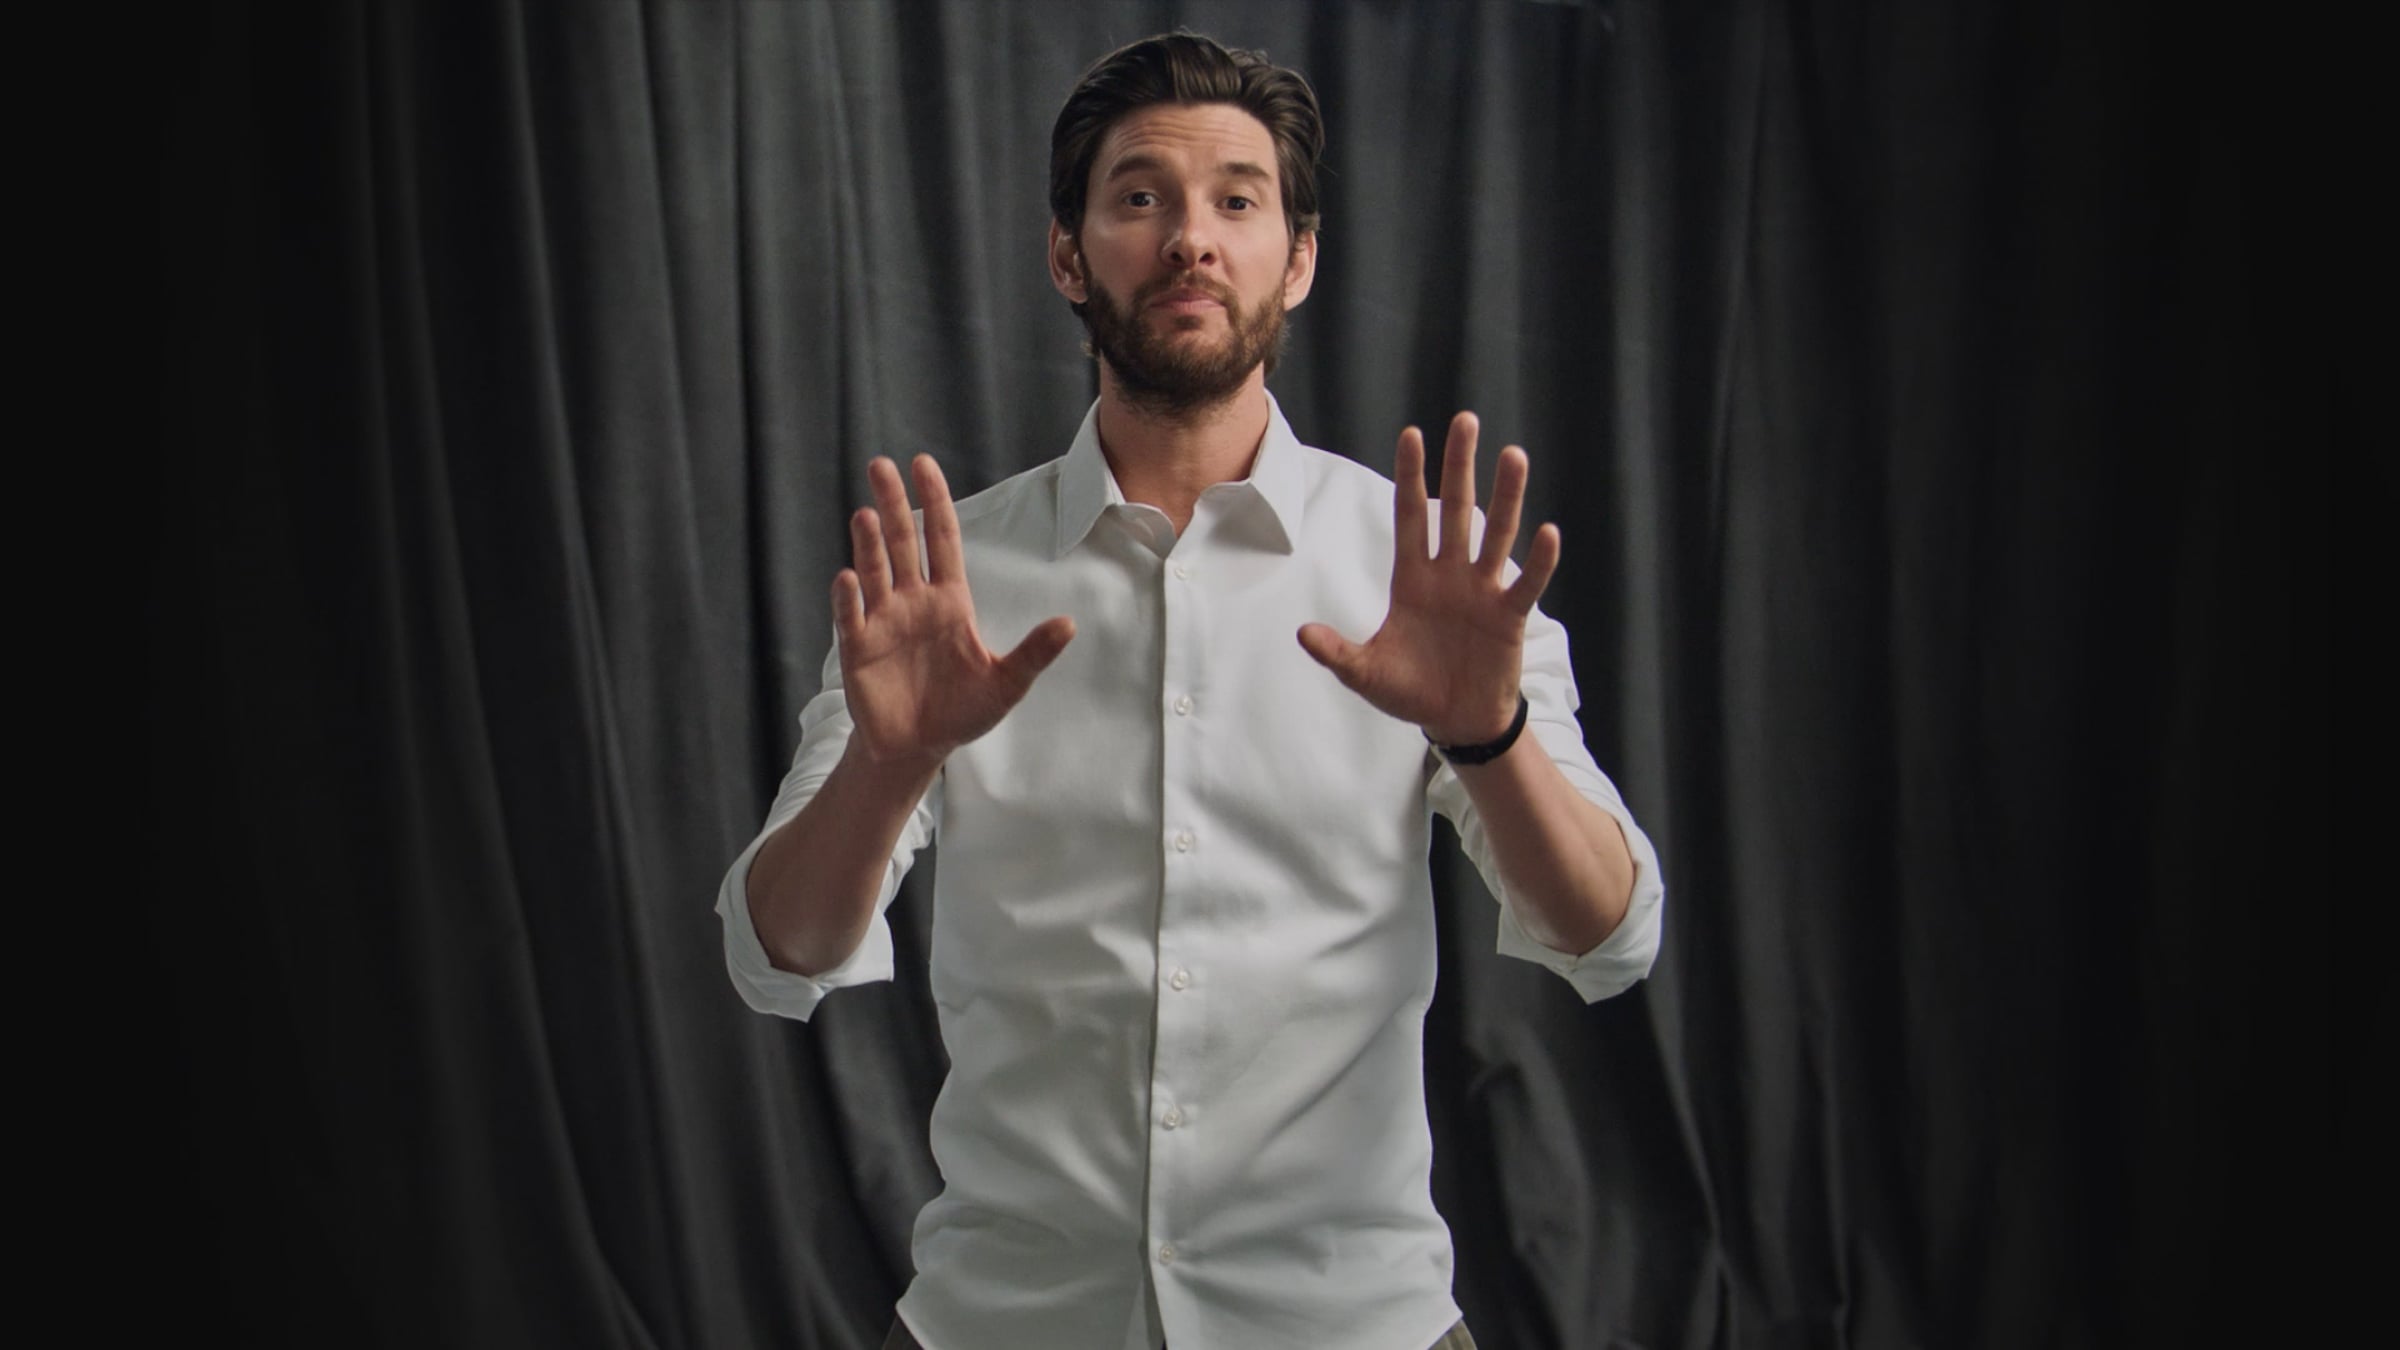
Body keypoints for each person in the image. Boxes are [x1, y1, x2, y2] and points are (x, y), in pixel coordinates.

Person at [716, 31, 1665, 1350]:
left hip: (1350, 1323)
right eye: (1140, 197)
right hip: (1008, 1322)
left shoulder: (1420, 574)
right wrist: (889, 763)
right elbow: (780, 954)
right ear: (1068, 255)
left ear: (1300, 258)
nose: (1191, 240)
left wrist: (1487, 736)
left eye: (1237, 199)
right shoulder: (945, 584)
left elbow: (1610, 934)